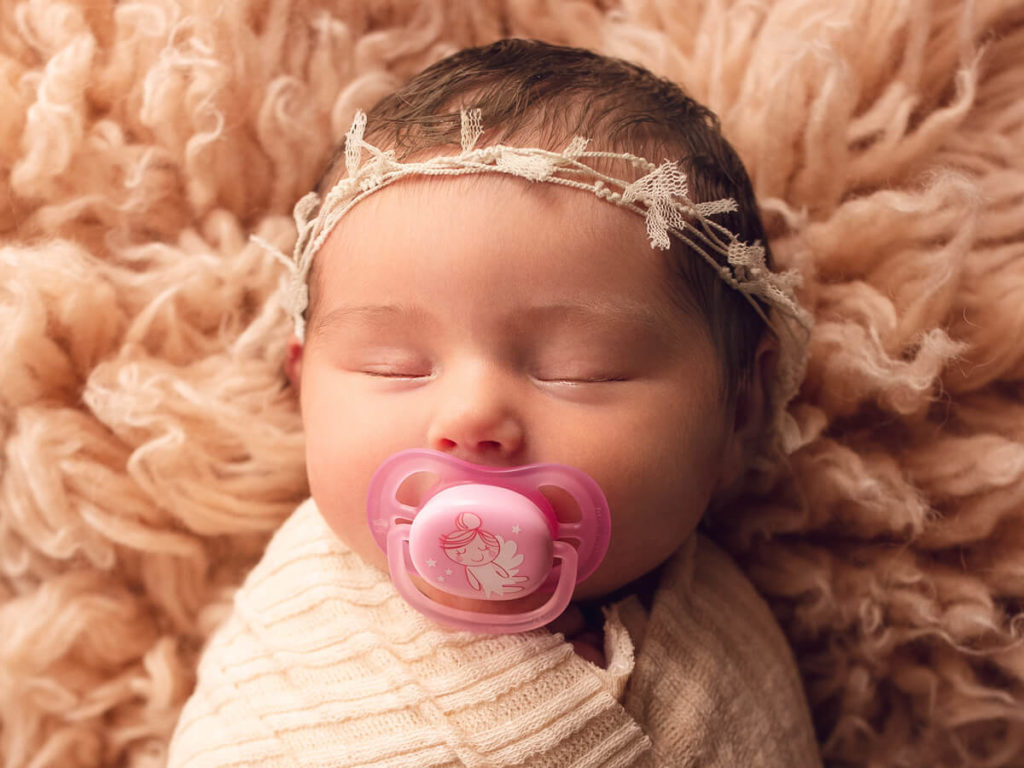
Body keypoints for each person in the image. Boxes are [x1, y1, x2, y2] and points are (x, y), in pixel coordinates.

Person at [168, 39, 821, 767]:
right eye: (396, 366)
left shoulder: (727, 642)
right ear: (303, 388)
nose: (472, 417)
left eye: (582, 370)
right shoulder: (286, 641)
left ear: (740, 411)